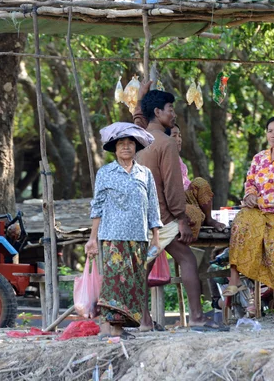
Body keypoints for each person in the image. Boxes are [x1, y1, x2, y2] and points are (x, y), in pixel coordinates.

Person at [134, 85, 224, 331]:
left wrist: (142, 95)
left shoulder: (137, 138)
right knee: (187, 260)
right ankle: (196, 317)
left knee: (144, 267)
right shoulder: (166, 143)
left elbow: (138, 117)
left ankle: (143, 321)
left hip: (141, 216)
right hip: (162, 215)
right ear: (158, 111)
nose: (173, 115)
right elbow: (172, 186)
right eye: (170, 109)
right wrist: (181, 218)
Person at [85, 122, 161, 339]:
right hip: (113, 236)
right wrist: (92, 239)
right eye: (121, 144)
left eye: (130, 143)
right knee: (116, 283)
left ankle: (116, 328)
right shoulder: (106, 173)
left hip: (138, 237)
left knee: (134, 283)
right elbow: (97, 206)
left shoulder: (144, 174)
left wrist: (156, 236)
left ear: (136, 148)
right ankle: (114, 329)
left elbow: (153, 206)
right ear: (115, 149)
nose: (126, 147)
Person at [224, 116, 274, 323]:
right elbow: (250, 183)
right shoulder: (259, 158)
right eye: (269, 130)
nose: (272, 135)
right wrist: (249, 197)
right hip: (257, 211)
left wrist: (260, 201)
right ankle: (235, 278)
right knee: (241, 220)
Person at [168, 123, 226, 237]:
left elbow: (186, 183)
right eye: (174, 136)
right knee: (194, 215)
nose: (179, 139)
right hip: (174, 205)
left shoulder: (178, 159)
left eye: (179, 136)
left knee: (200, 182)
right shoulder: (160, 159)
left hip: (186, 199)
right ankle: (198, 218)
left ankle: (208, 219)